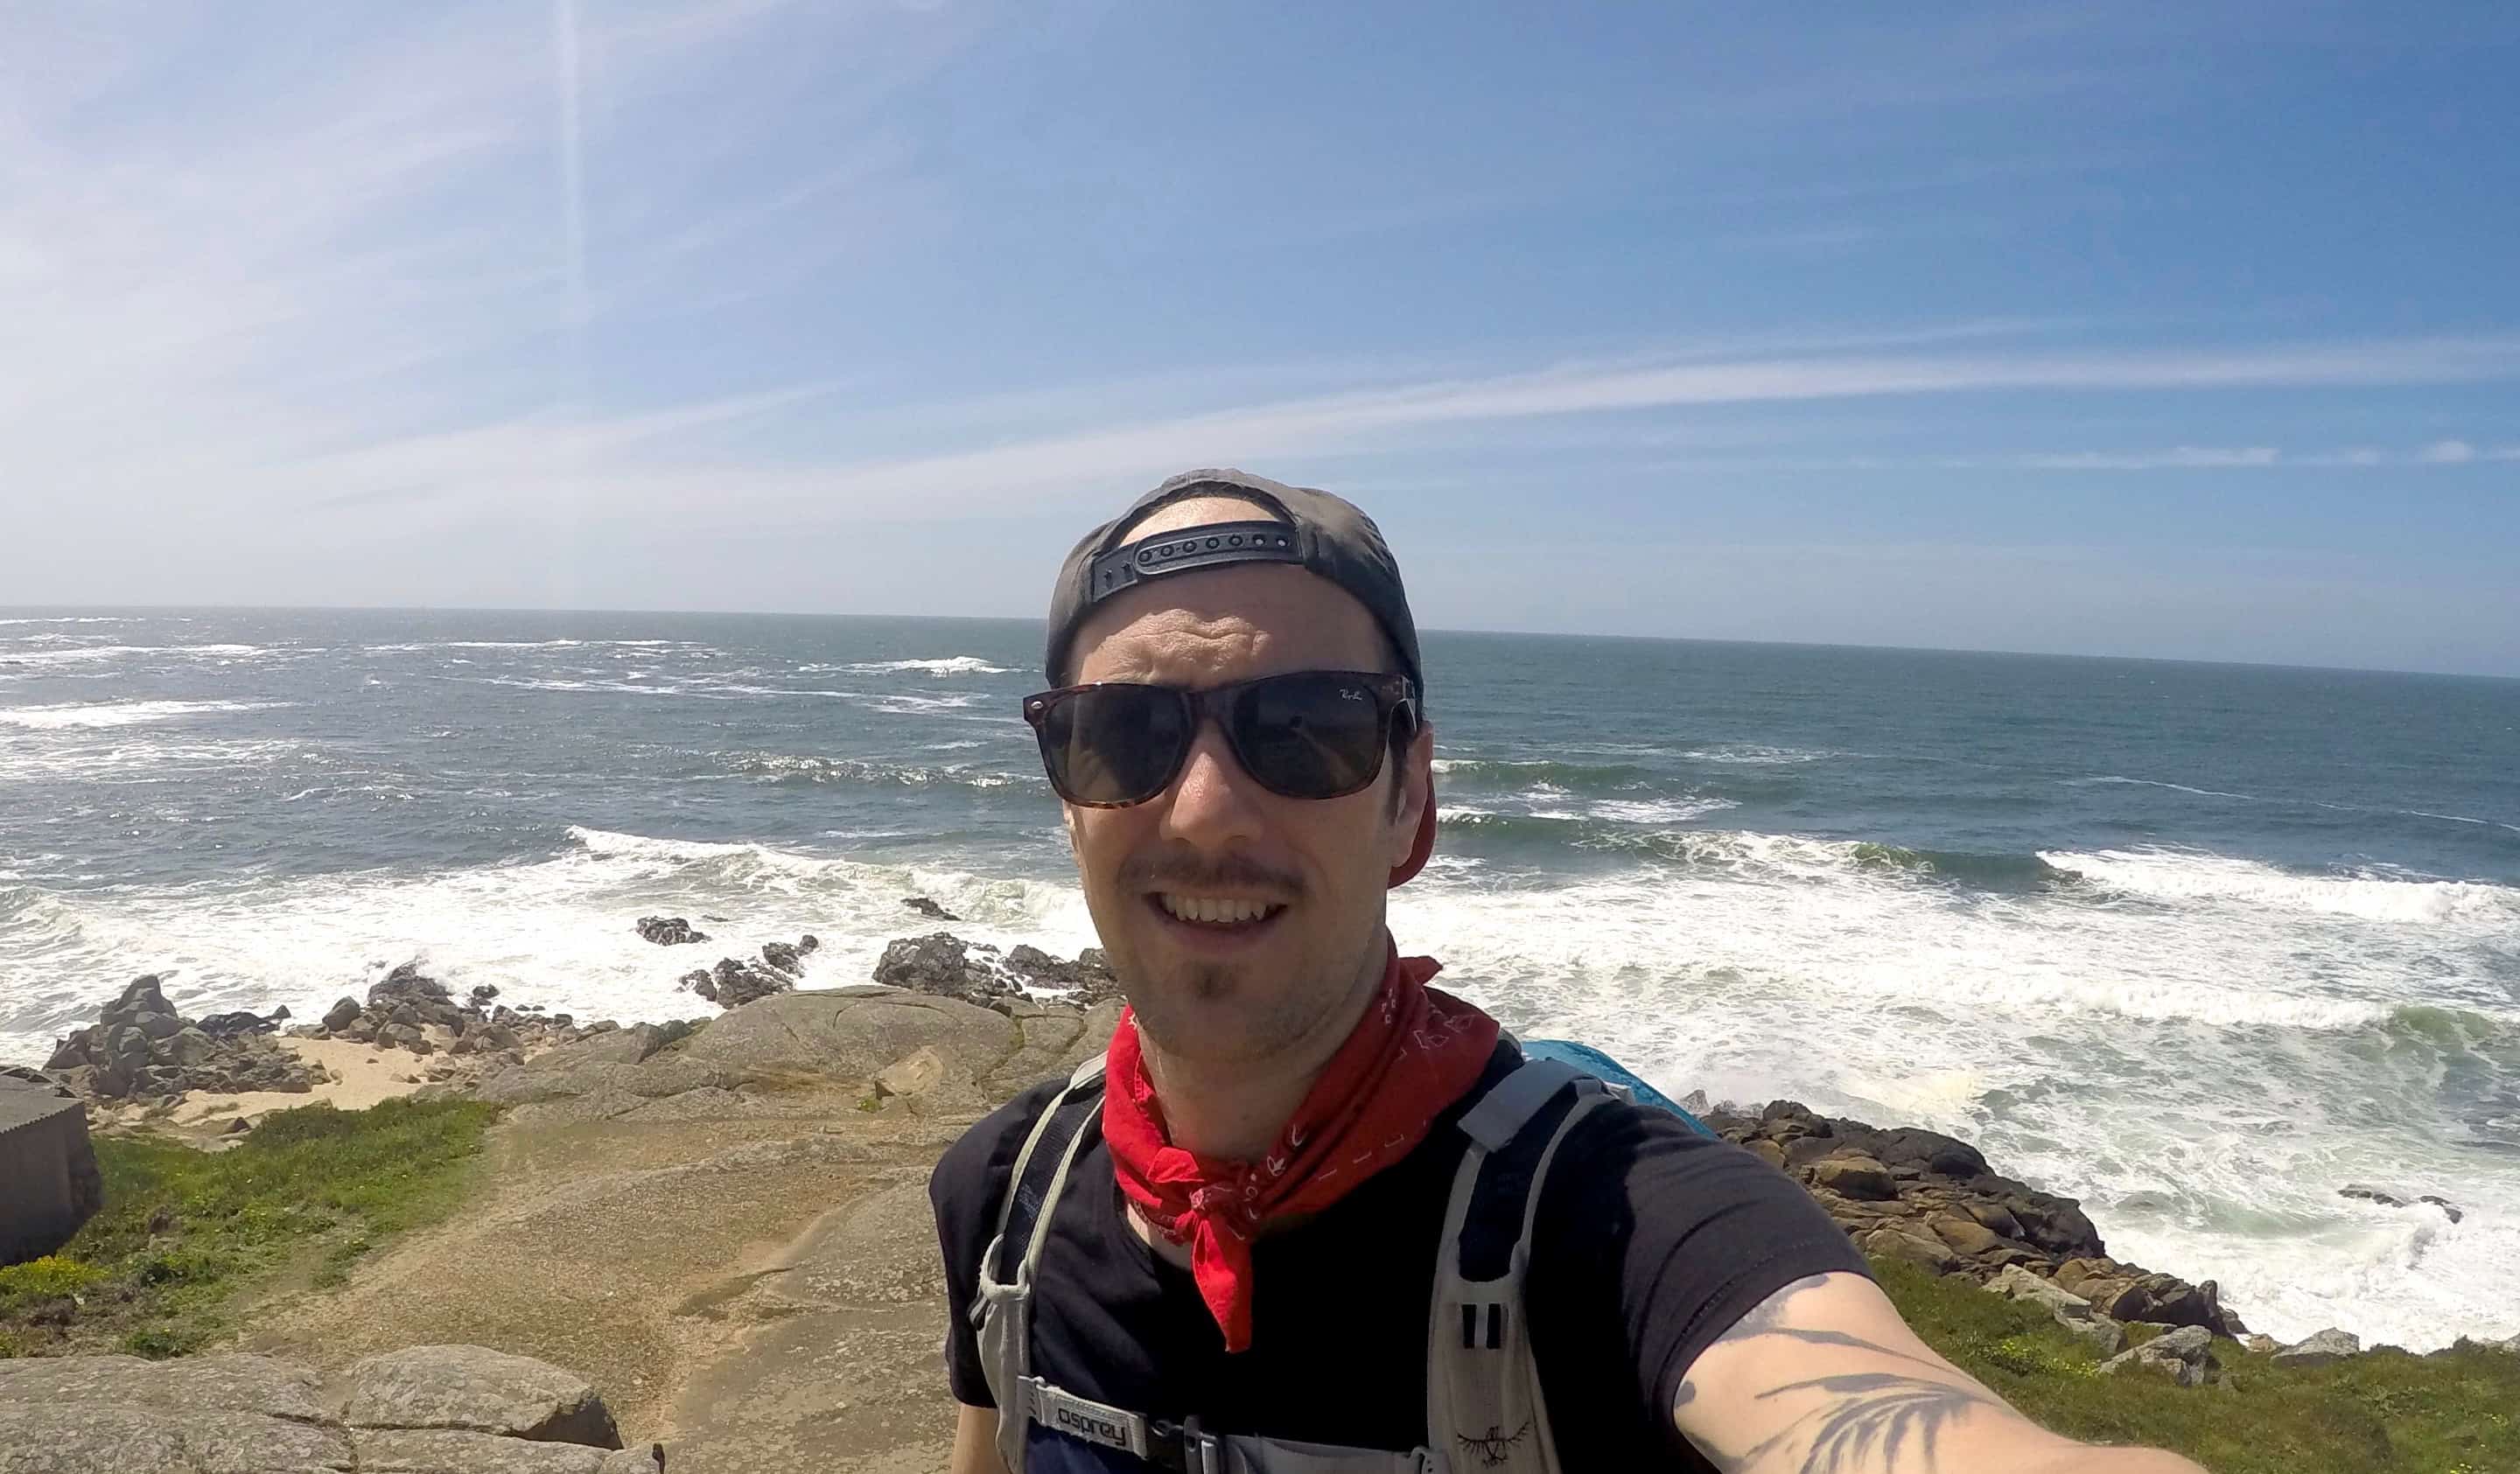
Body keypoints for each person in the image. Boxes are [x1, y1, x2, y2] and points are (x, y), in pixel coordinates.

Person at [930, 470, 2204, 1473]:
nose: (1204, 809)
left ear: (1410, 795)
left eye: (1303, 727)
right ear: (1065, 793)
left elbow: (1857, 1403)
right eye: (1124, 732)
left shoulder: (1606, 1224)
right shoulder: (1007, 1205)